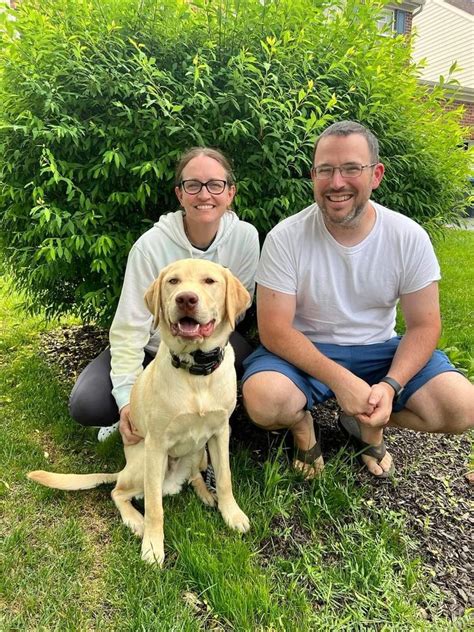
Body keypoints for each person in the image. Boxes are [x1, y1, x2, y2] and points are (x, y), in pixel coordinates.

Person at [241, 120, 474, 479]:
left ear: (376, 174)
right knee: (263, 401)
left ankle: (365, 421)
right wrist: (341, 381)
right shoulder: (285, 237)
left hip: (380, 351)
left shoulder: (407, 237)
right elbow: (273, 331)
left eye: (352, 168)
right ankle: (303, 430)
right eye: (325, 170)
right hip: (306, 352)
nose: (336, 182)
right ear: (313, 175)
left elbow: (425, 326)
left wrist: (390, 384)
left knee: (462, 407)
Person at [69, 147, 259, 444]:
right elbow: (129, 328)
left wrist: (203, 333)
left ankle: (205, 423)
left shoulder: (245, 238)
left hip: (211, 342)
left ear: (230, 192)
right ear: (180, 194)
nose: (204, 194)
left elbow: (237, 307)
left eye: (215, 185)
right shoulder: (151, 247)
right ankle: (136, 414)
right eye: (192, 185)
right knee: (88, 403)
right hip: (154, 349)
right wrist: (126, 401)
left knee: (256, 377)